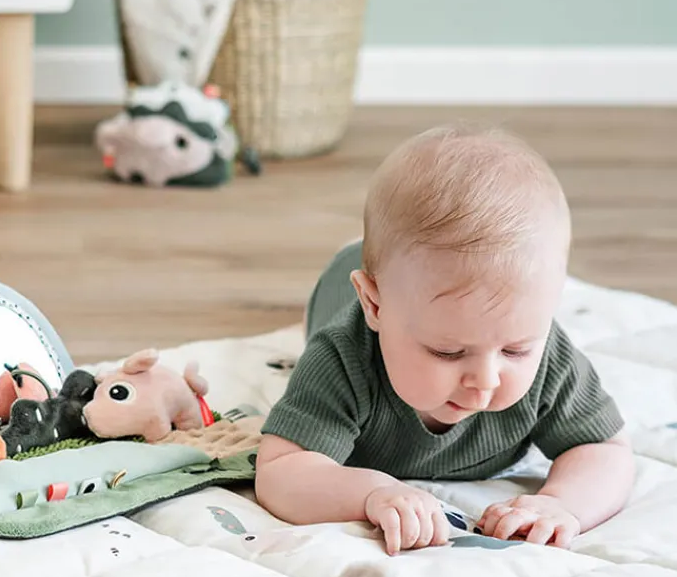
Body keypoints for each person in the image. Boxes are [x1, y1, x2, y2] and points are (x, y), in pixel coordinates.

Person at [256, 126, 633, 554]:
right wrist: (370, 492)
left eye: (515, 350)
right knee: (378, 263)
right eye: (448, 351)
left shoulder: (551, 358)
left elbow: (605, 448)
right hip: (337, 289)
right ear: (375, 305)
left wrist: (561, 503)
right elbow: (281, 469)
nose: (486, 379)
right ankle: (362, 256)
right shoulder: (341, 358)